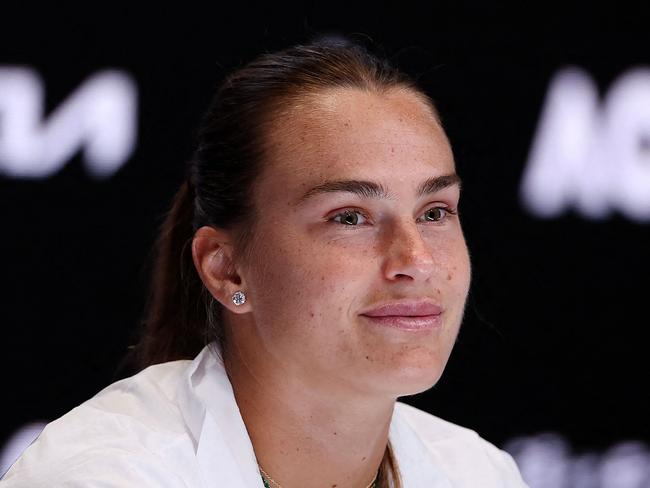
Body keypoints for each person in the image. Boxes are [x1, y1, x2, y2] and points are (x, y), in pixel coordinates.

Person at [1, 36, 529, 487]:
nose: (415, 259)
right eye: (349, 217)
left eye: (435, 211)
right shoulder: (106, 475)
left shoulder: (477, 471)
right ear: (226, 268)